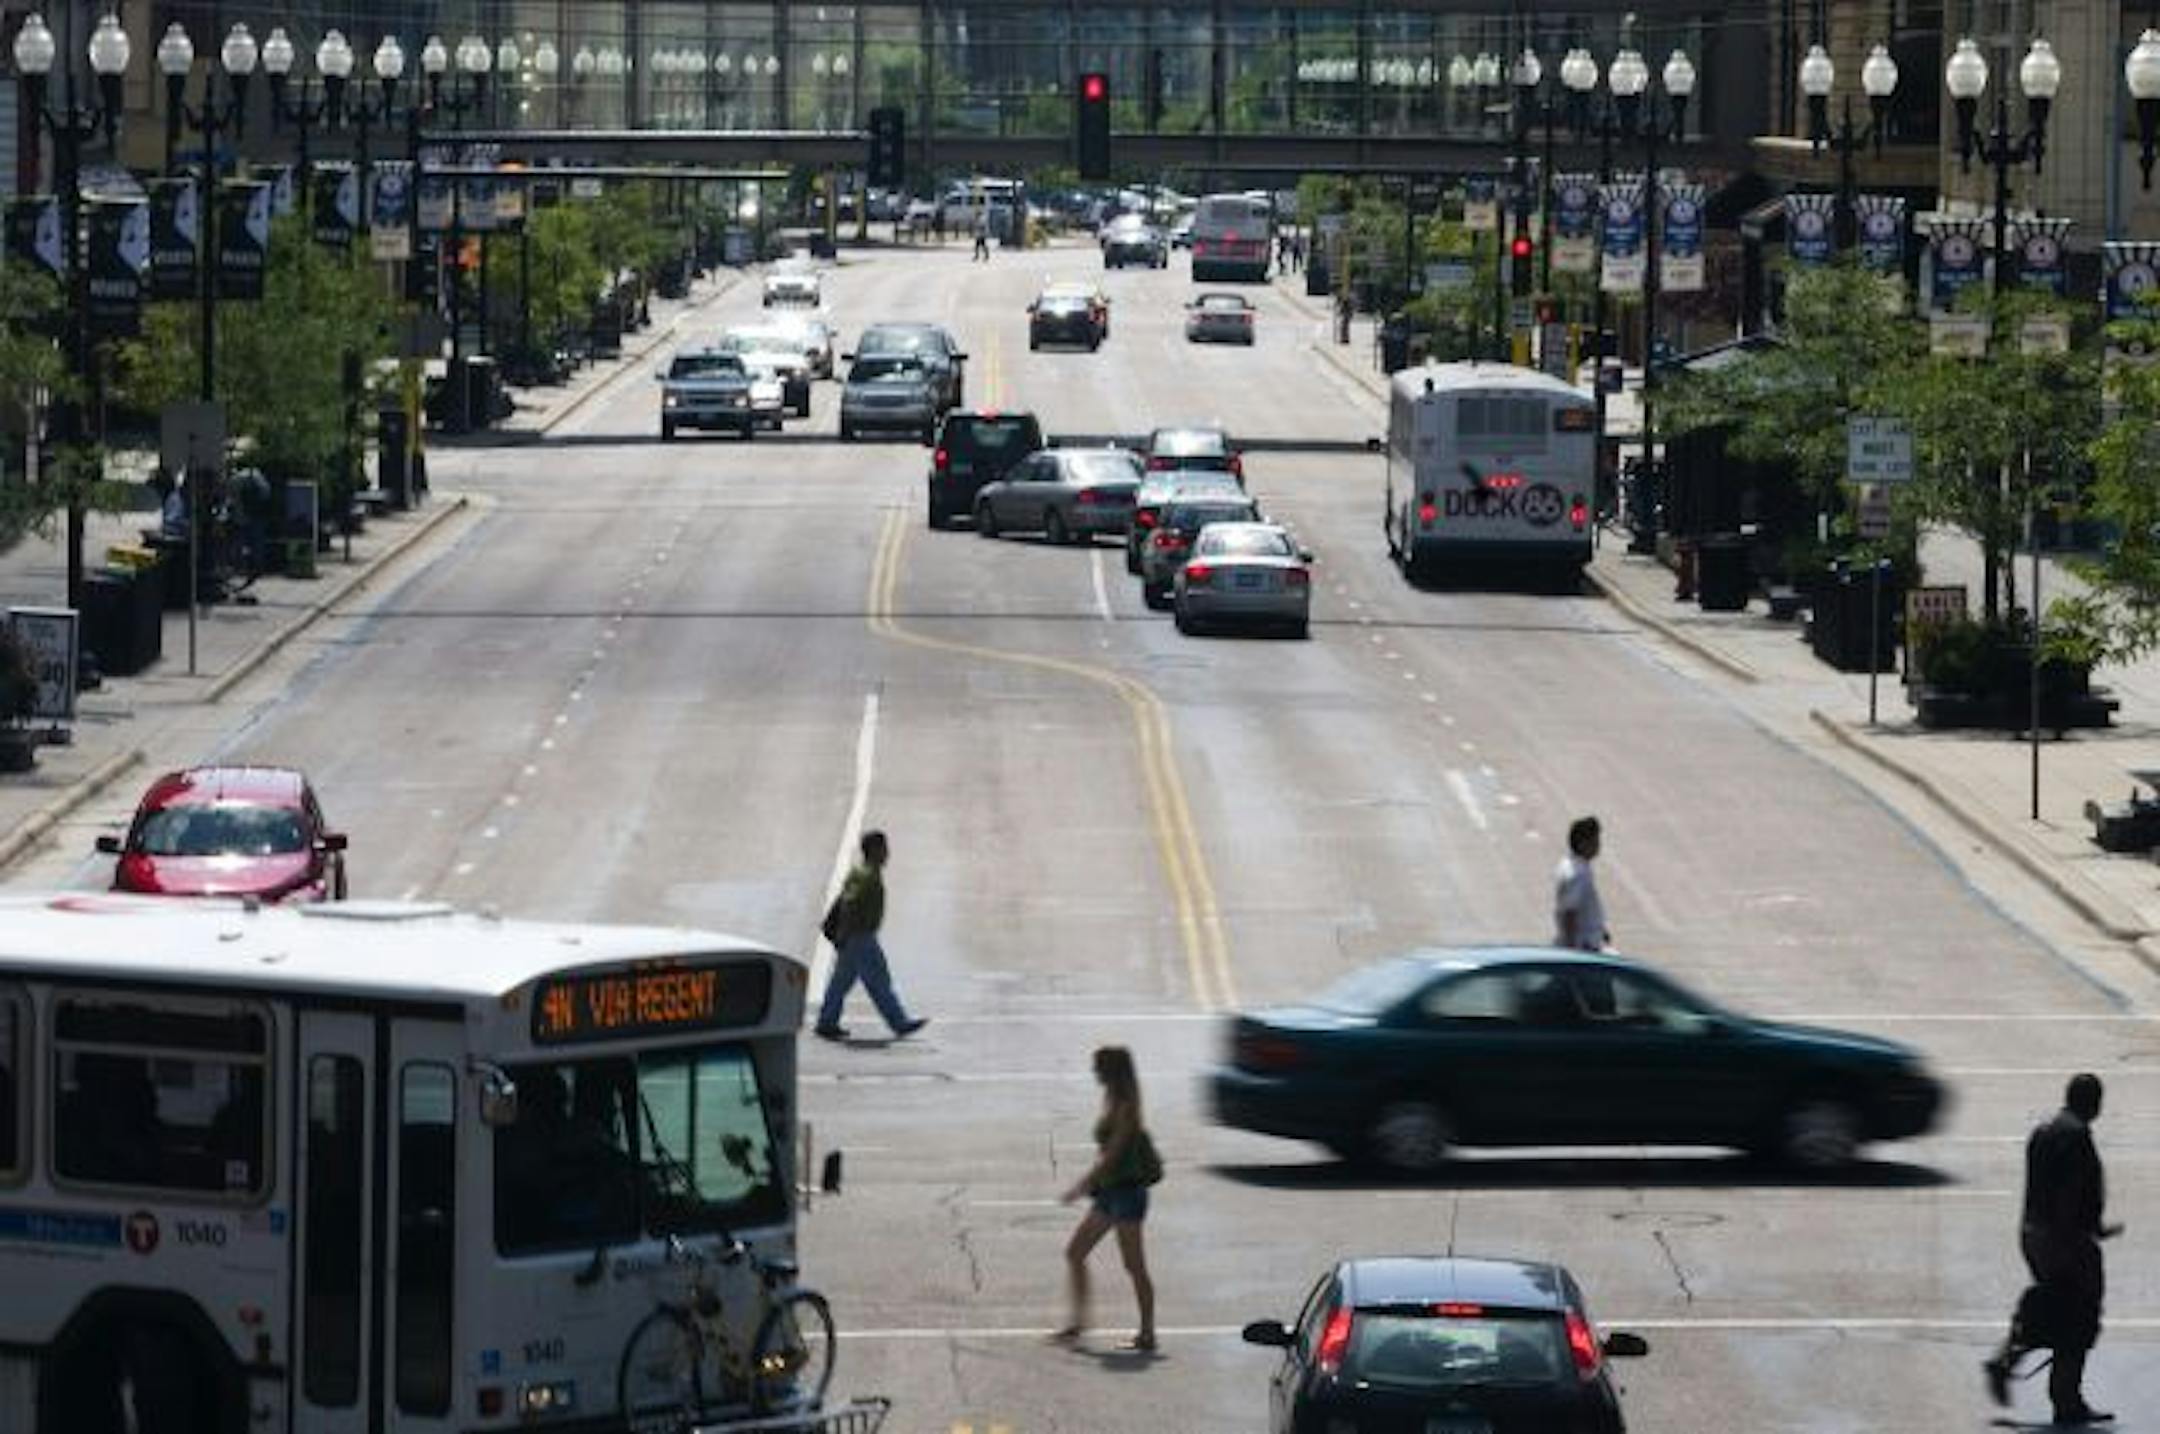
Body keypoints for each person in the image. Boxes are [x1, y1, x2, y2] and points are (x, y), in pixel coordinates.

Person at [1985, 1074, 2120, 1425]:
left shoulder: (2043, 1132)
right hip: (2064, 1239)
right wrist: (2082, 1238)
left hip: (2033, 1235)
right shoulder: (2076, 1139)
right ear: (2093, 1103)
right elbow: (2068, 1196)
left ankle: (2006, 1361)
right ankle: (2066, 1401)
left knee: (2053, 1305)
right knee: (2079, 1317)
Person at [1053, 1046, 1159, 1353]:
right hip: (1110, 1193)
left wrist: (1081, 1186)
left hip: (1127, 1194)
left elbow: (1111, 1156)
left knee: (1134, 1265)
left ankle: (1147, 1333)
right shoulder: (1111, 1098)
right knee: (1075, 1252)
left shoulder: (1126, 1105)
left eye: (1097, 1067)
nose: (1093, 1072)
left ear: (1111, 1071)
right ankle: (1077, 1324)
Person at [814, 830, 927, 1041]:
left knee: (841, 982)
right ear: (874, 851)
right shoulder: (867, 876)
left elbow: (846, 903)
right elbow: (848, 905)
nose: (888, 853)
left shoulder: (859, 872)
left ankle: (826, 1021)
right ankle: (899, 1022)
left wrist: (842, 936)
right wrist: (843, 935)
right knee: (879, 981)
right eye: (884, 848)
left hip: (855, 937)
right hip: (860, 938)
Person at [1553, 816, 1609, 952]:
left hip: (1586, 941)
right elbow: (1569, 912)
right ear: (1582, 843)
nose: (1598, 845)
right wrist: (1572, 950)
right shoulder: (1578, 873)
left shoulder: (1570, 864)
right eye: (1594, 841)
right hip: (1584, 946)